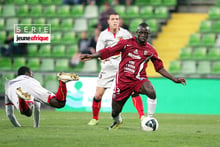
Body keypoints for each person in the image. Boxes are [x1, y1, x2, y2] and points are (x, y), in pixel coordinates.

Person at [80, 22, 186, 129]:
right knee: (115, 111)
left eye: (146, 33)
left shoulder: (150, 50)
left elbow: (159, 68)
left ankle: (149, 118)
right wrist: (91, 56)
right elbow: (109, 51)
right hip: (122, 81)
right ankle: (117, 120)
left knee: (151, 91)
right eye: (141, 32)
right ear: (137, 33)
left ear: (149, 34)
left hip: (138, 79)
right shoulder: (126, 43)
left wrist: (174, 79)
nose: (143, 35)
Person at [87, 12, 145, 126]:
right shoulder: (103, 35)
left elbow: (134, 47)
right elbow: (99, 50)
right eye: (112, 19)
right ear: (108, 21)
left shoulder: (125, 34)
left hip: (123, 67)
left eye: (117, 19)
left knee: (133, 91)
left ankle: (142, 117)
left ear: (119, 21)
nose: (115, 21)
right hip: (108, 66)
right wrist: (101, 58)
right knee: (98, 94)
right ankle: (95, 118)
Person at [5, 66, 79, 128]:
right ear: (27, 73)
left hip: (14, 88)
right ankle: (62, 81)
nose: (32, 75)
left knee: (27, 112)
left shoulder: (8, 85)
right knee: (59, 103)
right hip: (31, 84)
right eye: (31, 73)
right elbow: (37, 108)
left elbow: (9, 114)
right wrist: (36, 126)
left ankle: (21, 98)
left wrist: (18, 127)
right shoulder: (32, 80)